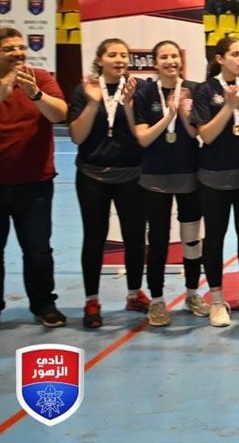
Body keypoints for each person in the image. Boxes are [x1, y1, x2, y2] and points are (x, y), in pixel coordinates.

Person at [67, 38, 149, 329]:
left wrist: (130, 104)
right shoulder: (84, 90)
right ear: (100, 60)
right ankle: (92, 300)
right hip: (92, 175)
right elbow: (77, 136)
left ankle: (134, 294)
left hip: (131, 174)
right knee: (94, 237)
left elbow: (142, 132)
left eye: (124, 55)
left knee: (135, 237)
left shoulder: (139, 89)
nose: (119, 59)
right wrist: (92, 102)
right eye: (112, 54)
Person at [190, 36, 239, 328]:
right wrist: (227, 107)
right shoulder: (205, 89)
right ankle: (218, 299)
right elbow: (206, 135)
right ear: (220, 59)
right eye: (235, 54)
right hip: (214, 178)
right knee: (215, 238)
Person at [132, 40, 206, 326]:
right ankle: (158, 300)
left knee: (191, 240)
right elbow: (143, 138)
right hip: (154, 179)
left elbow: (196, 133)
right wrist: (169, 115)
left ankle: (192, 294)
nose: (171, 61)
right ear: (155, 62)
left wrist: (184, 114)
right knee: (158, 241)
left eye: (174, 56)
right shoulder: (145, 92)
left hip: (189, 176)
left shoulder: (194, 89)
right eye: (164, 57)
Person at [0, 27, 68, 327]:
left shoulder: (40, 78)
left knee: (38, 249)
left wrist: (36, 95)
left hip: (35, 184)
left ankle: (44, 305)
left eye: (20, 47)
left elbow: (60, 114)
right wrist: (4, 86)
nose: (18, 53)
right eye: (8, 49)